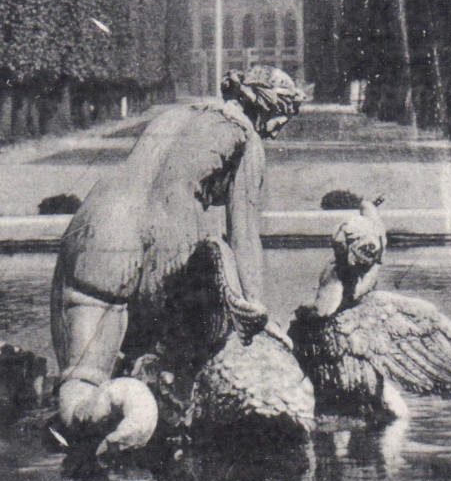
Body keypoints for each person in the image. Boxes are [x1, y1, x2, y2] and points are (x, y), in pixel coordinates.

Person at [49, 66, 306, 455]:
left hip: (95, 225)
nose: (281, 127)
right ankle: (155, 410)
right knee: (205, 319)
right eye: (284, 114)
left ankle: (96, 411)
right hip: (161, 241)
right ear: (270, 106)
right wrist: (258, 312)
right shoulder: (245, 137)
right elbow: (244, 233)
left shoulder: (172, 114)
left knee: (81, 382)